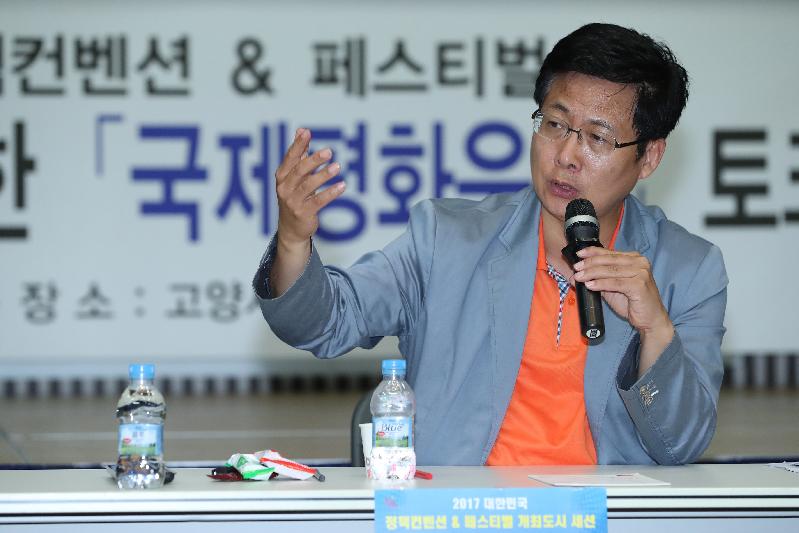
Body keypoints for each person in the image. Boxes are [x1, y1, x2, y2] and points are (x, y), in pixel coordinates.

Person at [253, 23, 727, 466]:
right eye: (555, 124)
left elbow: (680, 444)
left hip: (601, 514)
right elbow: (325, 323)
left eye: (597, 138)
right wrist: (294, 240)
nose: (566, 155)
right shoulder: (447, 240)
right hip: (462, 509)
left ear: (649, 157)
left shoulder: (687, 269)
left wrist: (655, 331)